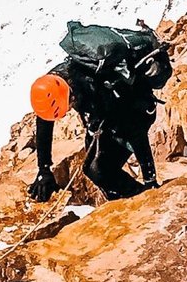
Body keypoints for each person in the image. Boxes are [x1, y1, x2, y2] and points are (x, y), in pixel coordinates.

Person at [28, 41, 171, 203]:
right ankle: (123, 199)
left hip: (135, 110)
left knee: (99, 169)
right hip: (105, 115)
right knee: (94, 168)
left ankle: (141, 197)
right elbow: (44, 122)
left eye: (67, 108)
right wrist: (44, 169)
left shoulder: (95, 89)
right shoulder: (52, 85)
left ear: (70, 96)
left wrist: (150, 179)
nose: (67, 111)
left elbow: (136, 132)